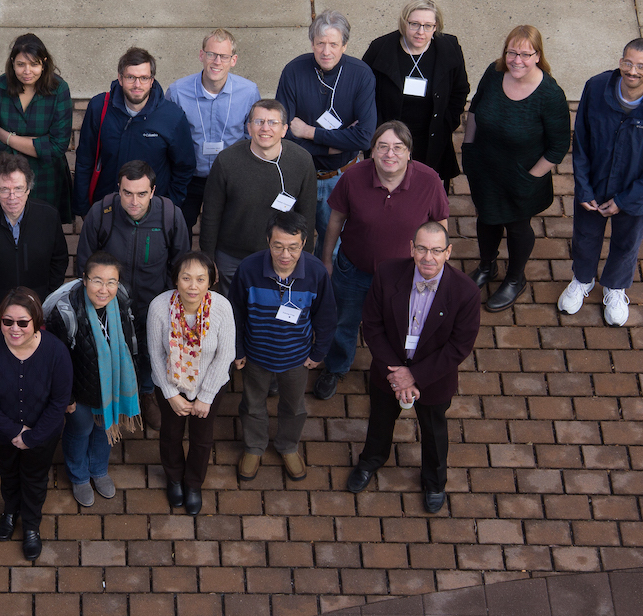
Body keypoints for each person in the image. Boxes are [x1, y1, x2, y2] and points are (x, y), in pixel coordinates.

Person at [346, 222, 480, 514]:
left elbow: (458, 347)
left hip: (433, 379)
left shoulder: (466, 292)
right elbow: (372, 325)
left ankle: (434, 481)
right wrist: (395, 373)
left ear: (448, 252)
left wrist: (414, 376)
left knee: (434, 431)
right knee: (380, 419)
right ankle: (371, 460)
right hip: (389, 371)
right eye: (421, 248)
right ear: (411, 248)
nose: (427, 257)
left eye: (435, 250)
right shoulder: (388, 273)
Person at [313, 121, 450, 401]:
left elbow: (440, 227)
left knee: (397, 327)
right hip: (353, 270)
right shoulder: (353, 177)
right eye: (382, 147)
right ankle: (337, 367)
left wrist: (436, 268)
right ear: (371, 151)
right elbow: (335, 220)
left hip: (404, 278)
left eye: (398, 148)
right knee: (343, 322)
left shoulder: (429, 181)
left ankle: (391, 373)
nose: (390, 154)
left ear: (409, 153)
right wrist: (326, 258)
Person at [560, 38, 643, 326]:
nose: (632, 71)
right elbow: (582, 142)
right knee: (585, 237)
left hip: (637, 194)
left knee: (627, 243)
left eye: (641, 66)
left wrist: (625, 200)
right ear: (620, 61)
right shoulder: (595, 87)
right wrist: (584, 187)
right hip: (595, 184)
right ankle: (583, 279)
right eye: (628, 62)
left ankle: (615, 287)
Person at [463, 25, 571, 312]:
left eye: (525, 53)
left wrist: (530, 179)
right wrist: (469, 146)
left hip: (523, 175)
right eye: (512, 52)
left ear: (538, 56)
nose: (517, 60)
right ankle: (487, 267)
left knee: (516, 225)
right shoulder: (494, 72)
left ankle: (514, 278)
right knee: (486, 218)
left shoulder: (550, 94)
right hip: (485, 166)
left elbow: (558, 147)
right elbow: (475, 108)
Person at [76, 160, 190, 429]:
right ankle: (115, 397)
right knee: (116, 351)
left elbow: (181, 265)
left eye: (141, 194)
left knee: (152, 354)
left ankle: (147, 394)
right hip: (111, 306)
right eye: (127, 193)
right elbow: (84, 263)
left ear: (153, 191)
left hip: (154, 305)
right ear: (118, 189)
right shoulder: (101, 213)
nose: (134, 201)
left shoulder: (170, 216)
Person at [230, 212, 336, 482]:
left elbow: (326, 316)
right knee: (253, 404)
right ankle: (254, 447)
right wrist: (238, 350)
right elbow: (235, 314)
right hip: (255, 355)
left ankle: (288, 446)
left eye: (293, 247)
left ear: (303, 244)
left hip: (297, 358)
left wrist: (318, 352)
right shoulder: (248, 269)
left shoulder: (316, 272)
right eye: (278, 246)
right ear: (267, 241)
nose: (285, 254)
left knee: (294, 406)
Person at [0, 288, 72, 561]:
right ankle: (10, 511)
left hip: (43, 435)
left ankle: (31, 525)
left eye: (23, 322)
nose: (14, 329)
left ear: (36, 321)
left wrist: (32, 436)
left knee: (35, 479)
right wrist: (14, 431)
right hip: (2, 432)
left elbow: (60, 399)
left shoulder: (55, 352)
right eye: (7, 321)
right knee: (8, 472)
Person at [275, 10, 377, 256]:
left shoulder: (361, 74)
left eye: (333, 44)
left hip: (341, 178)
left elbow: (364, 137)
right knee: (291, 247)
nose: (326, 51)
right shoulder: (294, 71)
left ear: (345, 45)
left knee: (337, 249)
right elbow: (284, 134)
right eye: (320, 43)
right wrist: (335, 144)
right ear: (312, 43)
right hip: (299, 176)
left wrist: (310, 132)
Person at [44, 251, 141, 508]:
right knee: (81, 430)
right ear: (84, 279)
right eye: (97, 280)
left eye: (111, 282)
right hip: (79, 389)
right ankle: (78, 476)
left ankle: (98, 471)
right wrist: (68, 398)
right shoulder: (65, 311)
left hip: (111, 385)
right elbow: (55, 361)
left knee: (104, 427)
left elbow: (132, 341)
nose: (104, 289)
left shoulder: (122, 300)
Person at [148, 251, 235, 516]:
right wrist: (171, 394)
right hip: (169, 386)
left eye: (200, 279)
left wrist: (206, 396)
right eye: (186, 278)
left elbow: (226, 354)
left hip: (209, 385)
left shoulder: (221, 307)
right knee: (171, 434)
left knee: (202, 439)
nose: (193, 286)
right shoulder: (159, 307)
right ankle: (174, 478)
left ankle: (193, 483)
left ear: (210, 281)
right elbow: (155, 353)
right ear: (176, 280)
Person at [199, 99, 317, 292]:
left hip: (280, 258)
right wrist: (208, 258)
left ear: (284, 129)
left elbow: (307, 215)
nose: (265, 128)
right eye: (259, 121)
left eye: (272, 123)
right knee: (234, 316)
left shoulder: (302, 161)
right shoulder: (227, 161)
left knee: (268, 316)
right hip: (232, 259)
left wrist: (305, 257)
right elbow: (211, 214)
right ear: (249, 127)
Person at [361, 0, 469, 193]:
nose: (421, 32)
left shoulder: (448, 48)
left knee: (426, 195)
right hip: (390, 140)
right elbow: (363, 92)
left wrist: (447, 123)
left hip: (432, 137)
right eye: (415, 24)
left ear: (436, 27)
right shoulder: (381, 49)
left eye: (428, 26)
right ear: (404, 23)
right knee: (388, 194)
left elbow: (460, 90)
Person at [73, 47, 196, 219]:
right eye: (131, 77)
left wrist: (170, 207)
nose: (137, 84)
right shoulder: (99, 107)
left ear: (152, 80)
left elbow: (184, 167)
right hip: (107, 209)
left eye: (144, 78)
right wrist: (85, 209)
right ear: (120, 78)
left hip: (152, 213)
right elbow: (85, 159)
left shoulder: (172, 116)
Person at [167, 29, 262, 231]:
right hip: (189, 179)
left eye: (224, 56)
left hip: (230, 179)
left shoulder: (248, 92)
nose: (217, 61)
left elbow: (252, 137)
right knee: (178, 230)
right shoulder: (178, 91)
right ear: (202, 55)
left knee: (227, 233)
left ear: (233, 60)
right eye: (211, 54)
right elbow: (168, 138)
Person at [0, 153, 69, 333]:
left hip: (38, 314)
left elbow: (59, 260)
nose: (12, 196)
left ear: (29, 188)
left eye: (18, 188)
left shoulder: (48, 217)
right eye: (4, 189)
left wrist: (47, 300)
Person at [0, 33, 75, 221]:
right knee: (6, 231)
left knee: (43, 232)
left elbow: (57, 145)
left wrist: (7, 137)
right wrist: (37, 143)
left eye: (34, 64)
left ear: (44, 63)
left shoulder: (59, 89)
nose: (27, 71)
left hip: (47, 176)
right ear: (12, 62)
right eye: (21, 64)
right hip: (7, 175)